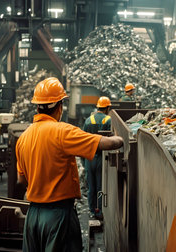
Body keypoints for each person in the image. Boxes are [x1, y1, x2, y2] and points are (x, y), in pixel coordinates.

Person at [15, 78, 123, 252]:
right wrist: (122, 138)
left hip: (33, 216)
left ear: (37, 106)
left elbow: (21, 180)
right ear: (59, 107)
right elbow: (107, 144)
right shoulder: (62, 131)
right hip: (58, 216)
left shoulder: (23, 138)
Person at [82, 96, 112, 219]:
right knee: (100, 186)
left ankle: (92, 210)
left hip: (89, 157)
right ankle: (99, 211)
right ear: (107, 108)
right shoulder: (108, 120)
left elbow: (83, 140)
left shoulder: (88, 120)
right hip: (101, 157)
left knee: (91, 187)